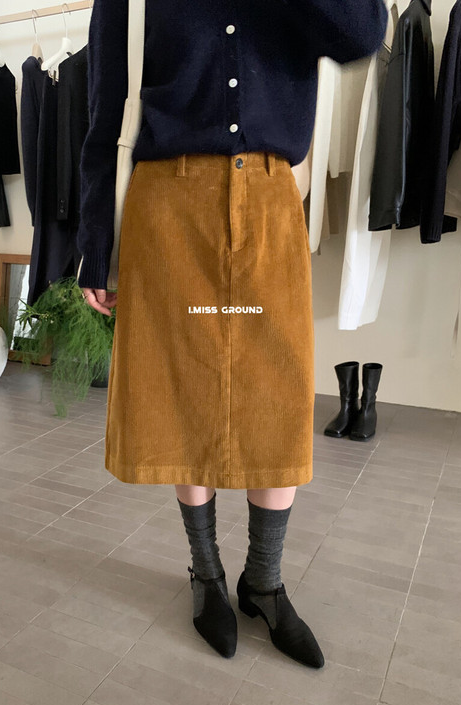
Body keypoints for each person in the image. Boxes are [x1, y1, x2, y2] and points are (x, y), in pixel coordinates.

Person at [76, 0, 389, 667]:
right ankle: (207, 573)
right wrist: (95, 245)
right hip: (168, 207)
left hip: (271, 204)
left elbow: (362, 33)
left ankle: (264, 582)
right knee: (183, 393)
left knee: (276, 395)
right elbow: (103, 111)